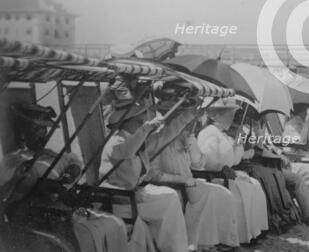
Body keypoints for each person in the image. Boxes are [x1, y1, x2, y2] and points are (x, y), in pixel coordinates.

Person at [100, 83, 190, 252]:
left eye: (143, 119)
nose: (143, 121)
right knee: (169, 199)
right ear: (126, 122)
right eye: (139, 120)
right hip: (120, 198)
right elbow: (127, 151)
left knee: (170, 196)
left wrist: (187, 116)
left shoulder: (138, 140)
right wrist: (146, 128)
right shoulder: (114, 142)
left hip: (134, 194)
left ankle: (174, 248)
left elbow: (164, 137)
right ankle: (174, 249)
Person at [155, 122, 241, 250]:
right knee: (207, 195)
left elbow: (197, 164)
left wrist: (192, 145)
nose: (189, 128)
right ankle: (197, 243)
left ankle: (220, 240)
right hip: (173, 185)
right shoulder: (159, 139)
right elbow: (155, 174)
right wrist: (182, 180)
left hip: (190, 183)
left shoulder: (186, 138)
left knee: (224, 194)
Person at [197, 103, 270, 243]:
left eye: (232, 115)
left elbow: (235, 160)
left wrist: (238, 144)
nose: (231, 119)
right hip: (215, 175)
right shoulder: (209, 132)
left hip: (227, 173)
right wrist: (222, 168)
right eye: (228, 115)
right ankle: (242, 234)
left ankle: (254, 231)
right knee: (245, 188)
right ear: (215, 116)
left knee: (254, 184)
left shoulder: (223, 134)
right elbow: (207, 161)